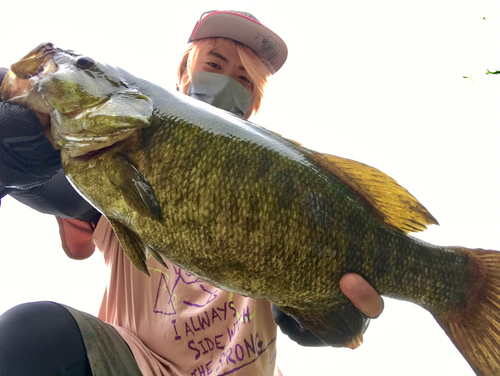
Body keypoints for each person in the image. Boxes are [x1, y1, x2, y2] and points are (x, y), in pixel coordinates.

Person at [0, 10, 383, 376]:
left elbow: (308, 305)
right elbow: (46, 189)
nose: (228, 82)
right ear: (183, 72)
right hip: (134, 362)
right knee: (33, 334)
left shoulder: (281, 188)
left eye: (245, 79)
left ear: (255, 102)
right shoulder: (113, 155)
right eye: (214, 65)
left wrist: (318, 318)